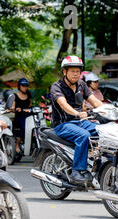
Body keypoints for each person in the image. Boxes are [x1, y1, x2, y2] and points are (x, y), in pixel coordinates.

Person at [50, 55, 104, 184]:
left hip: (80, 122)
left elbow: (95, 102)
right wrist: (77, 113)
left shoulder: (81, 84)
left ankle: (97, 164)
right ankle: (77, 170)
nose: (76, 74)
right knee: (83, 135)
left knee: (102, 132)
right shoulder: (57, 87)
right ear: (65, 72)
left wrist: (110, 110)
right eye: (72, 71)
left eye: (78, 71)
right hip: (63, 124)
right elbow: (63, 104)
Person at [11, 78, 32, 154]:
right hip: (20, 116)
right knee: (25, 128)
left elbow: (30, 105)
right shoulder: (15, 96)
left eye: (26, 86)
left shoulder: (29, 94)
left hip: (28, 115)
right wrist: (16, 109)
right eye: (23, 86)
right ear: (19, 86)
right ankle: (17, 144)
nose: (25, 87)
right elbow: (12, 108)